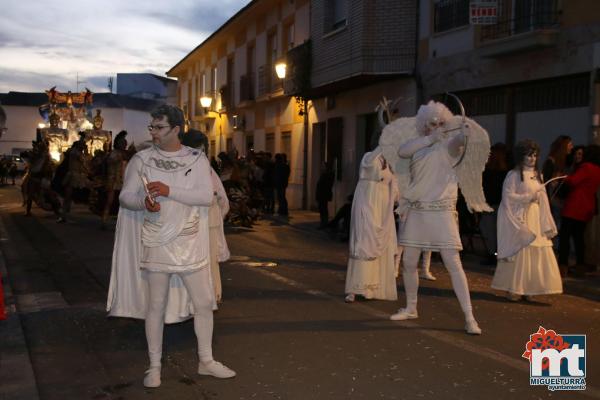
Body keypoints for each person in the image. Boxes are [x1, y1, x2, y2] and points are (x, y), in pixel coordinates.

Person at [106, 105, 235, 388]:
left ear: (176, 129)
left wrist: (168, 190)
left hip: (191, 242)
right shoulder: (141, 159)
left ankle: (206, 360)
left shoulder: (196, 158)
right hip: (156, 241)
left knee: (203, 303)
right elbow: (126, 197)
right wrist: (143, 202)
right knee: (156, 305)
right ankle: (153, 367)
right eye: (152, 127)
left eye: (159, 127)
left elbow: (205, 196)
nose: (153, 132)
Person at [390, 101, 482, 335]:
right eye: (433, 123)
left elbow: (459, 143)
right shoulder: (419, 145)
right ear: (424, 125)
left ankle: (469, 317)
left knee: (453, 263)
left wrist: (464, 135)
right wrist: (431, 138)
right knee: (409, 261)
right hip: (419, 210)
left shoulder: (449, 146)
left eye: (442, 123)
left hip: (441, 212)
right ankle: (411, 307)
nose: (438, 127)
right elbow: (403, 151)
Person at [492, 139, 563, 300]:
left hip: (535, 218)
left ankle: (531, 288)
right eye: (529, 155)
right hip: (521, 218)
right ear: (520, 157)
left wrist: (542, 204)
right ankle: (515, 288)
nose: (532, 159)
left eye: (535, 156)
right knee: (521, 251)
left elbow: (543, 198)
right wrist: (527, 197)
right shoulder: (514, 175)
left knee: (536, 252)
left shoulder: (538, 175)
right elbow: (508, 197)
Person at [182, 129, 231, 302]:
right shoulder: (205, 169)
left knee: (202, 262)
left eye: (202, 150)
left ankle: (201, 297)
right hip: (203, 222)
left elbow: (221, 198)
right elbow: (223, 201)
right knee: (205, 262)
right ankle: (208, 296)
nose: (200, 154)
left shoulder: (190, 169)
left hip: (202, 223)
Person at [344, 148, 399, 302]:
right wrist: (383, 144)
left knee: (379, 246)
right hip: (366, 202)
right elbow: (368, 164)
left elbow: (396, 191)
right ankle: (355, 287)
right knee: (363, 243)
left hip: (382, 208)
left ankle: (372, 287)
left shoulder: (390, 164)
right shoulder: (369, 156)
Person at [558, 145, 600, 277]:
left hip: (574, 206)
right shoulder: (598, 169)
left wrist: (564, 178)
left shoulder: (586, 167)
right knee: (579, 238)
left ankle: (562, 264)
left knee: (565, 236)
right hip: (587, 207)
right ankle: (580, 264)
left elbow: (573, 181)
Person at [479, 143, 509, 265]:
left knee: (489, 231)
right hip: (499, 204)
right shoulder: (506, 171)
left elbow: (483, 187)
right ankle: (497, 254)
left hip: (491, 203)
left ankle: (493, 254)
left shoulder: (488, 170)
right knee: (497, 231)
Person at [101, 130, 128, 228]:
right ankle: (104, 220)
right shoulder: (114, 153)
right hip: (113, 181)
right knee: (109, 201)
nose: (125, 144)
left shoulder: (124, 154)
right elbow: (110, 162)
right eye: (122, 143)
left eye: (125, 143)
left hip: (122, 181)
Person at [315, 161, 335, 228]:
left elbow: (323, 185)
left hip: (323, 194)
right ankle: (323, 222)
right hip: (323, 194)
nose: (322, 167)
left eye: (323, 166)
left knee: (323, 208)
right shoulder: (326, 174)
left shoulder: (327, 174)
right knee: (323, 208)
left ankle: (324, 223)